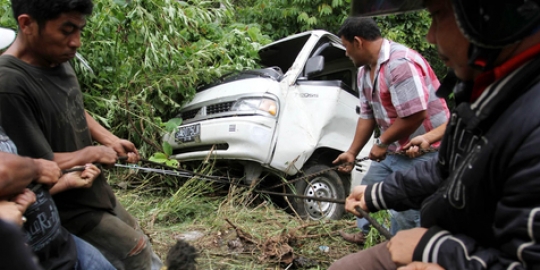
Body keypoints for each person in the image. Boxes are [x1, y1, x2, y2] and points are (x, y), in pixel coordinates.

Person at [329, 0, 540, 269]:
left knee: (405, 221)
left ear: (490, 19)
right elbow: (444, 171)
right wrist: (377, 194)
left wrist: (431, 249)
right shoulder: (482, 97)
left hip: (462, 250)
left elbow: (416, 115)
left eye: (438, 15)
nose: (429, 36)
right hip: (453, 235)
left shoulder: (400, 64)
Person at [0, 1, 163, 269]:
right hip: (69, 206)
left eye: (79, 30)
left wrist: (108, 139)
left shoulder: (54, 58)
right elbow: (35, 166)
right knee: (136, 252)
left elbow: (72, 107)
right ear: (27, 24)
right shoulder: (9, 84)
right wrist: (91, 153)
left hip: (94, 190)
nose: (76, 42)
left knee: (138, 237)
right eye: (66, 30)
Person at [333, 17, 449, 243]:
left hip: (426, 150)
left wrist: (382, 142)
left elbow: (415, 115)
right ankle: (365, 234)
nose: (346, 54)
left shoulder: (400, 63)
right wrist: (352, 152)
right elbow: (367, 115)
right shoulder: (364, 71)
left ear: (358, 42)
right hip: (396, 149)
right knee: (366, 187)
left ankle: (407, 250)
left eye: (346, 47)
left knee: (407, 208)